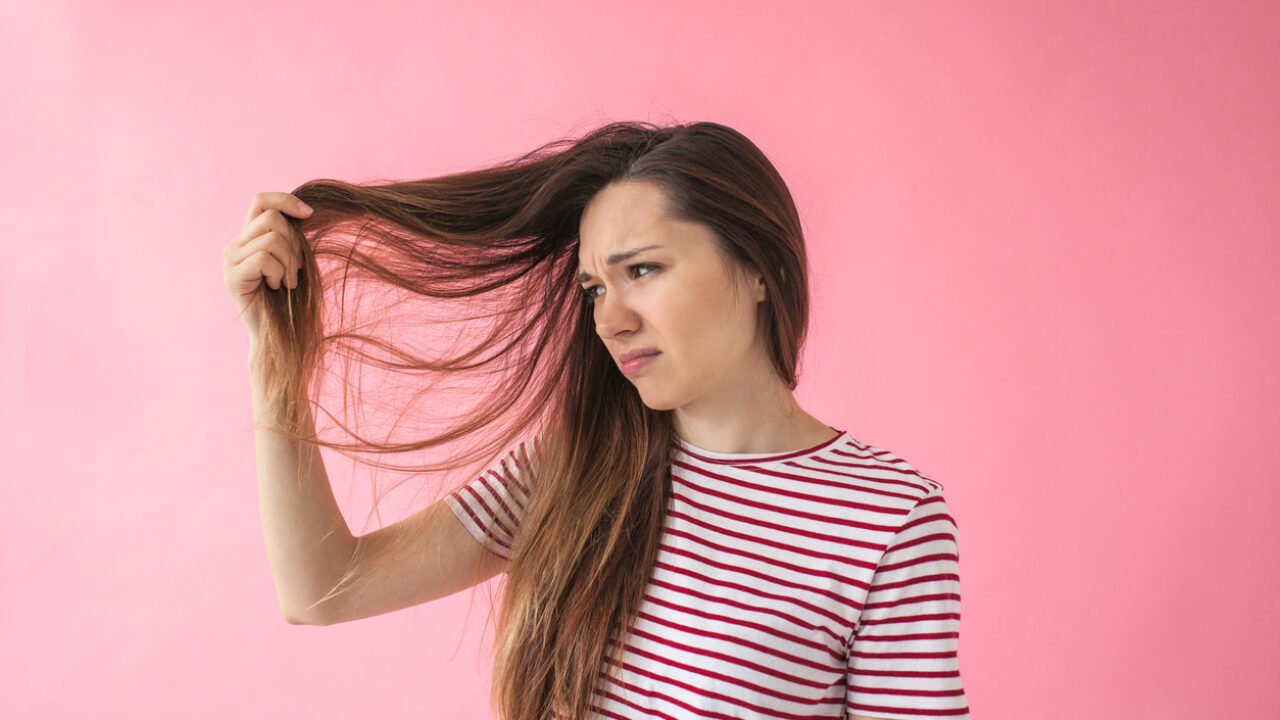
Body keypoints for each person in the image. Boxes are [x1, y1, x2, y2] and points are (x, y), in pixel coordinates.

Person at [223, 120, 970, 720]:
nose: (610, 319)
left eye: (641, 270)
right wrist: (274, 356)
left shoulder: (888, 517)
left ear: (757, 267)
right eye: (592, 288)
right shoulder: (572, 470)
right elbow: (323, 588)